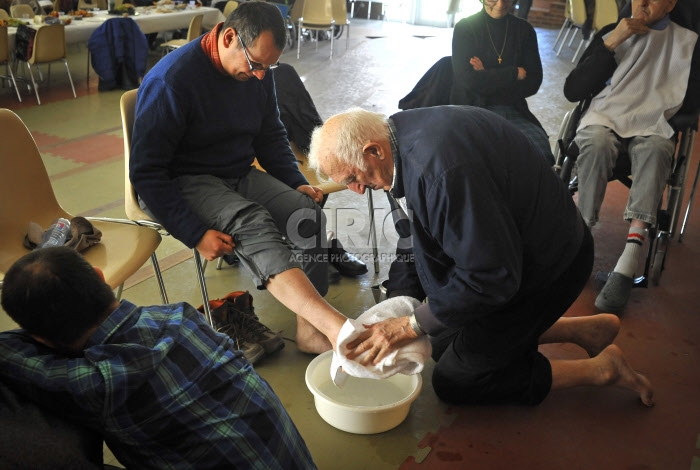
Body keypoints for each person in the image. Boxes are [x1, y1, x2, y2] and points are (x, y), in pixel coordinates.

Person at [307, 105, 655, 407]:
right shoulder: (398, 139)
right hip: (516, 252)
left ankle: (602, 369)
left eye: (353, 177)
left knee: (456, 379)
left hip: (548, 268)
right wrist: (398, 306)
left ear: (373, 151)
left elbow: (491, 276)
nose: (354, 189)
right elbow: (411, 237)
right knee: (439, 339)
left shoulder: (439, 170)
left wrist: (409, 324)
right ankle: (585, 331)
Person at [129, 1, 351, 354]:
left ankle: (310, 330)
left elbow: (270, 134)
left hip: (234, 171)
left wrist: (294, 182)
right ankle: (335, 327)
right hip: (181, 180)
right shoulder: (172, 81)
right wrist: (195, 233)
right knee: (253, 221)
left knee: (305, 213)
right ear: (229, 37)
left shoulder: (256, 72)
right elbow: (146, 172)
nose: (262, 75)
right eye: (256, 64)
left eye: (269, 66)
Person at [0, 247, 317, 469]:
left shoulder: (96, 385)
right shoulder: (182, 316)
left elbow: (9, 354)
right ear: (100, 276)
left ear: (40, 338)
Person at [563, 0, 699, 313]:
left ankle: (628, 263)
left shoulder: (688, 43)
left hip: (654, 122)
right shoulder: (613, 33)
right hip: (606, 118)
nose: (643, 2)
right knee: (596, 141)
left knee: (657, 147)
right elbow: (573, 90)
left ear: (671, 5)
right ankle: (579, 241)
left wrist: (654, 105)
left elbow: (690, 104)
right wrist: (611, 42)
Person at [450, 0, 555, 165]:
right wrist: (513, 73)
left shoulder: (524, 30)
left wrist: (486, 76)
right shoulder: (465, 28)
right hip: (473, 109)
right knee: (479, 159)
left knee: (540, 154)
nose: (500, 4)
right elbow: (467, 80)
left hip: (513, 109)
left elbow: (534, 82)